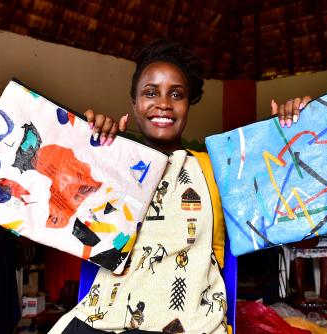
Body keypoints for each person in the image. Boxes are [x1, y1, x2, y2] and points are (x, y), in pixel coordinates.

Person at [49, 39, 310, 333]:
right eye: (151, 93)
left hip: (189, 323)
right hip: (105, 319)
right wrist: (90, 148)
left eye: (176, 94)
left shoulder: (216, 169)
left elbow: (288, 192)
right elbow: (63, 209)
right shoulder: (113, 164)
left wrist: (290, 130)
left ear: (188, 104)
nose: (163, 103)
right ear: (134, 104)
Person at [288, 236, 327, 307]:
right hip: (297, 233)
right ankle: (299, 293)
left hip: (320, 232)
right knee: (296, 247)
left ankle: (324, 293)